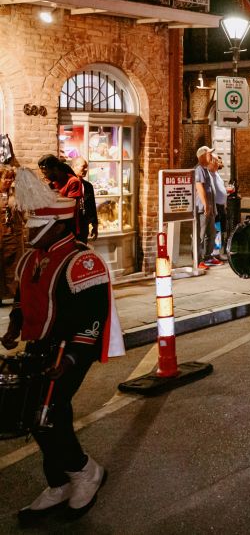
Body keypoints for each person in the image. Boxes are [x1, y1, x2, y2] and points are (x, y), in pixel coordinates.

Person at [1, 167, 123, 522]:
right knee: (35, 416)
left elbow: (92, 319)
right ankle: (58, 482)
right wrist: (14, 326)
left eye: (35, 226)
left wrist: (71, 358)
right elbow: (24, 301)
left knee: (49, 415)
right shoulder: (31, 258)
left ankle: (85, 471)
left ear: (56, 225)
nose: (28, 232)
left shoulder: (82, 261)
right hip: (39, 347)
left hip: (69, 350)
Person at [37, 154, 85, 241]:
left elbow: (70, 207)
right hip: (54, 228)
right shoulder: (53, 183)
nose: (44, 176)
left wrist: (51, 192)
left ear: (55, 169)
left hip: (69, 230)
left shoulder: (73, 182)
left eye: (45, 173)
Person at [0, 165, 25, 304]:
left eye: (11, 178)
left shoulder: (16, 193)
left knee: (15, 266)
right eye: (5, 178)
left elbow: (23, 212)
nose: (9, 181)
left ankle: (16, 296)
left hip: (14, 235)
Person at [193, 145, 219, 268]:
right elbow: (200, 188)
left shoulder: (205, 169)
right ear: (202, 156)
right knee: (200, 235)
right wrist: (205, 205)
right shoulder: (199, 169)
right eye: (209, 154)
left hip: (209, 207)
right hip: (202, 208)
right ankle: (198, 261)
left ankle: (208, 256)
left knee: (211, 233)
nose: (211, 156)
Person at [70, 158, 98, 243]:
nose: (86, 170)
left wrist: (95, 225)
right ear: (74, 167)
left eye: (87, 167)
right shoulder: (68, 184)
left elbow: (92, 206)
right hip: (70, 226)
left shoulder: (88, 186)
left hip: (83, 226)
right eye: (83, 167)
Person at [209, 157, 228, 260]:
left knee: (220, 229)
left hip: (221, 205)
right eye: (216, 161)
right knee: (216, 229)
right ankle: (214, 253)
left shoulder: (216, 174)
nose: (219, 163)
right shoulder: (210, 174)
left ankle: (217, 252)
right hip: (216, 205)